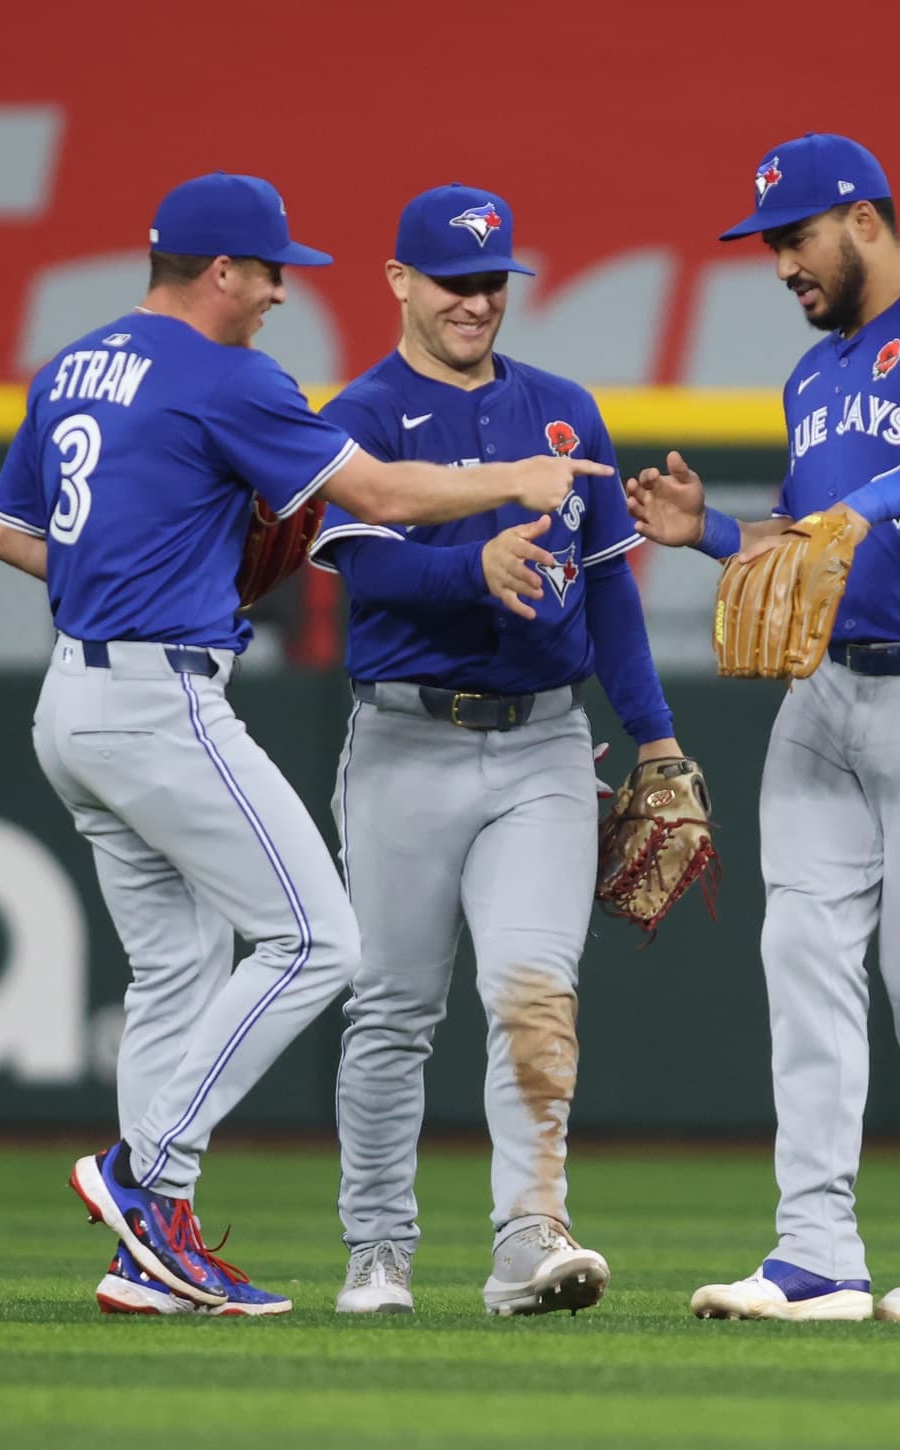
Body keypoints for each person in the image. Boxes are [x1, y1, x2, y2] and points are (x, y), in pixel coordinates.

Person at [0, 171, 607, 1317]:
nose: (279, 290)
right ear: (219, 271)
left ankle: (148, 1260)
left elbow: (9, 534)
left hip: (70, 695)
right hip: (156, 694)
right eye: (270, 270)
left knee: (173, 971)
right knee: (319, 941)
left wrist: (151, 561)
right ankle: (142, 1173)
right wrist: (512, 479)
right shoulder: (225, 373)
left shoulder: (75, 364)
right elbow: (374, 493)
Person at [625, 134, 900, 1323]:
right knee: (802, 961)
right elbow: (802, 545)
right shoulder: (813, 379)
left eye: (793, 236)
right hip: (829, 698)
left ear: (862, 218)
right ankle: (813, 1249)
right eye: (767, 243)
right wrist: (710, 534)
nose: (777, 264)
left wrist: (869, 502)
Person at [309, 184, 683, 1317]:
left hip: (543, 747)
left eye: (490, 282)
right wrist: (466, 568)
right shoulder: (360, 413)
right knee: (391, 1006)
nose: (474, 301)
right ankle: (376, 1245)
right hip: (403, 740)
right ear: (398, 282)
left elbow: (611, 589)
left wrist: (654, 735)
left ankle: (528, 1234)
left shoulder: (564, 410)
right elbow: (361, 572)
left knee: (535, 994)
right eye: (451, 281)